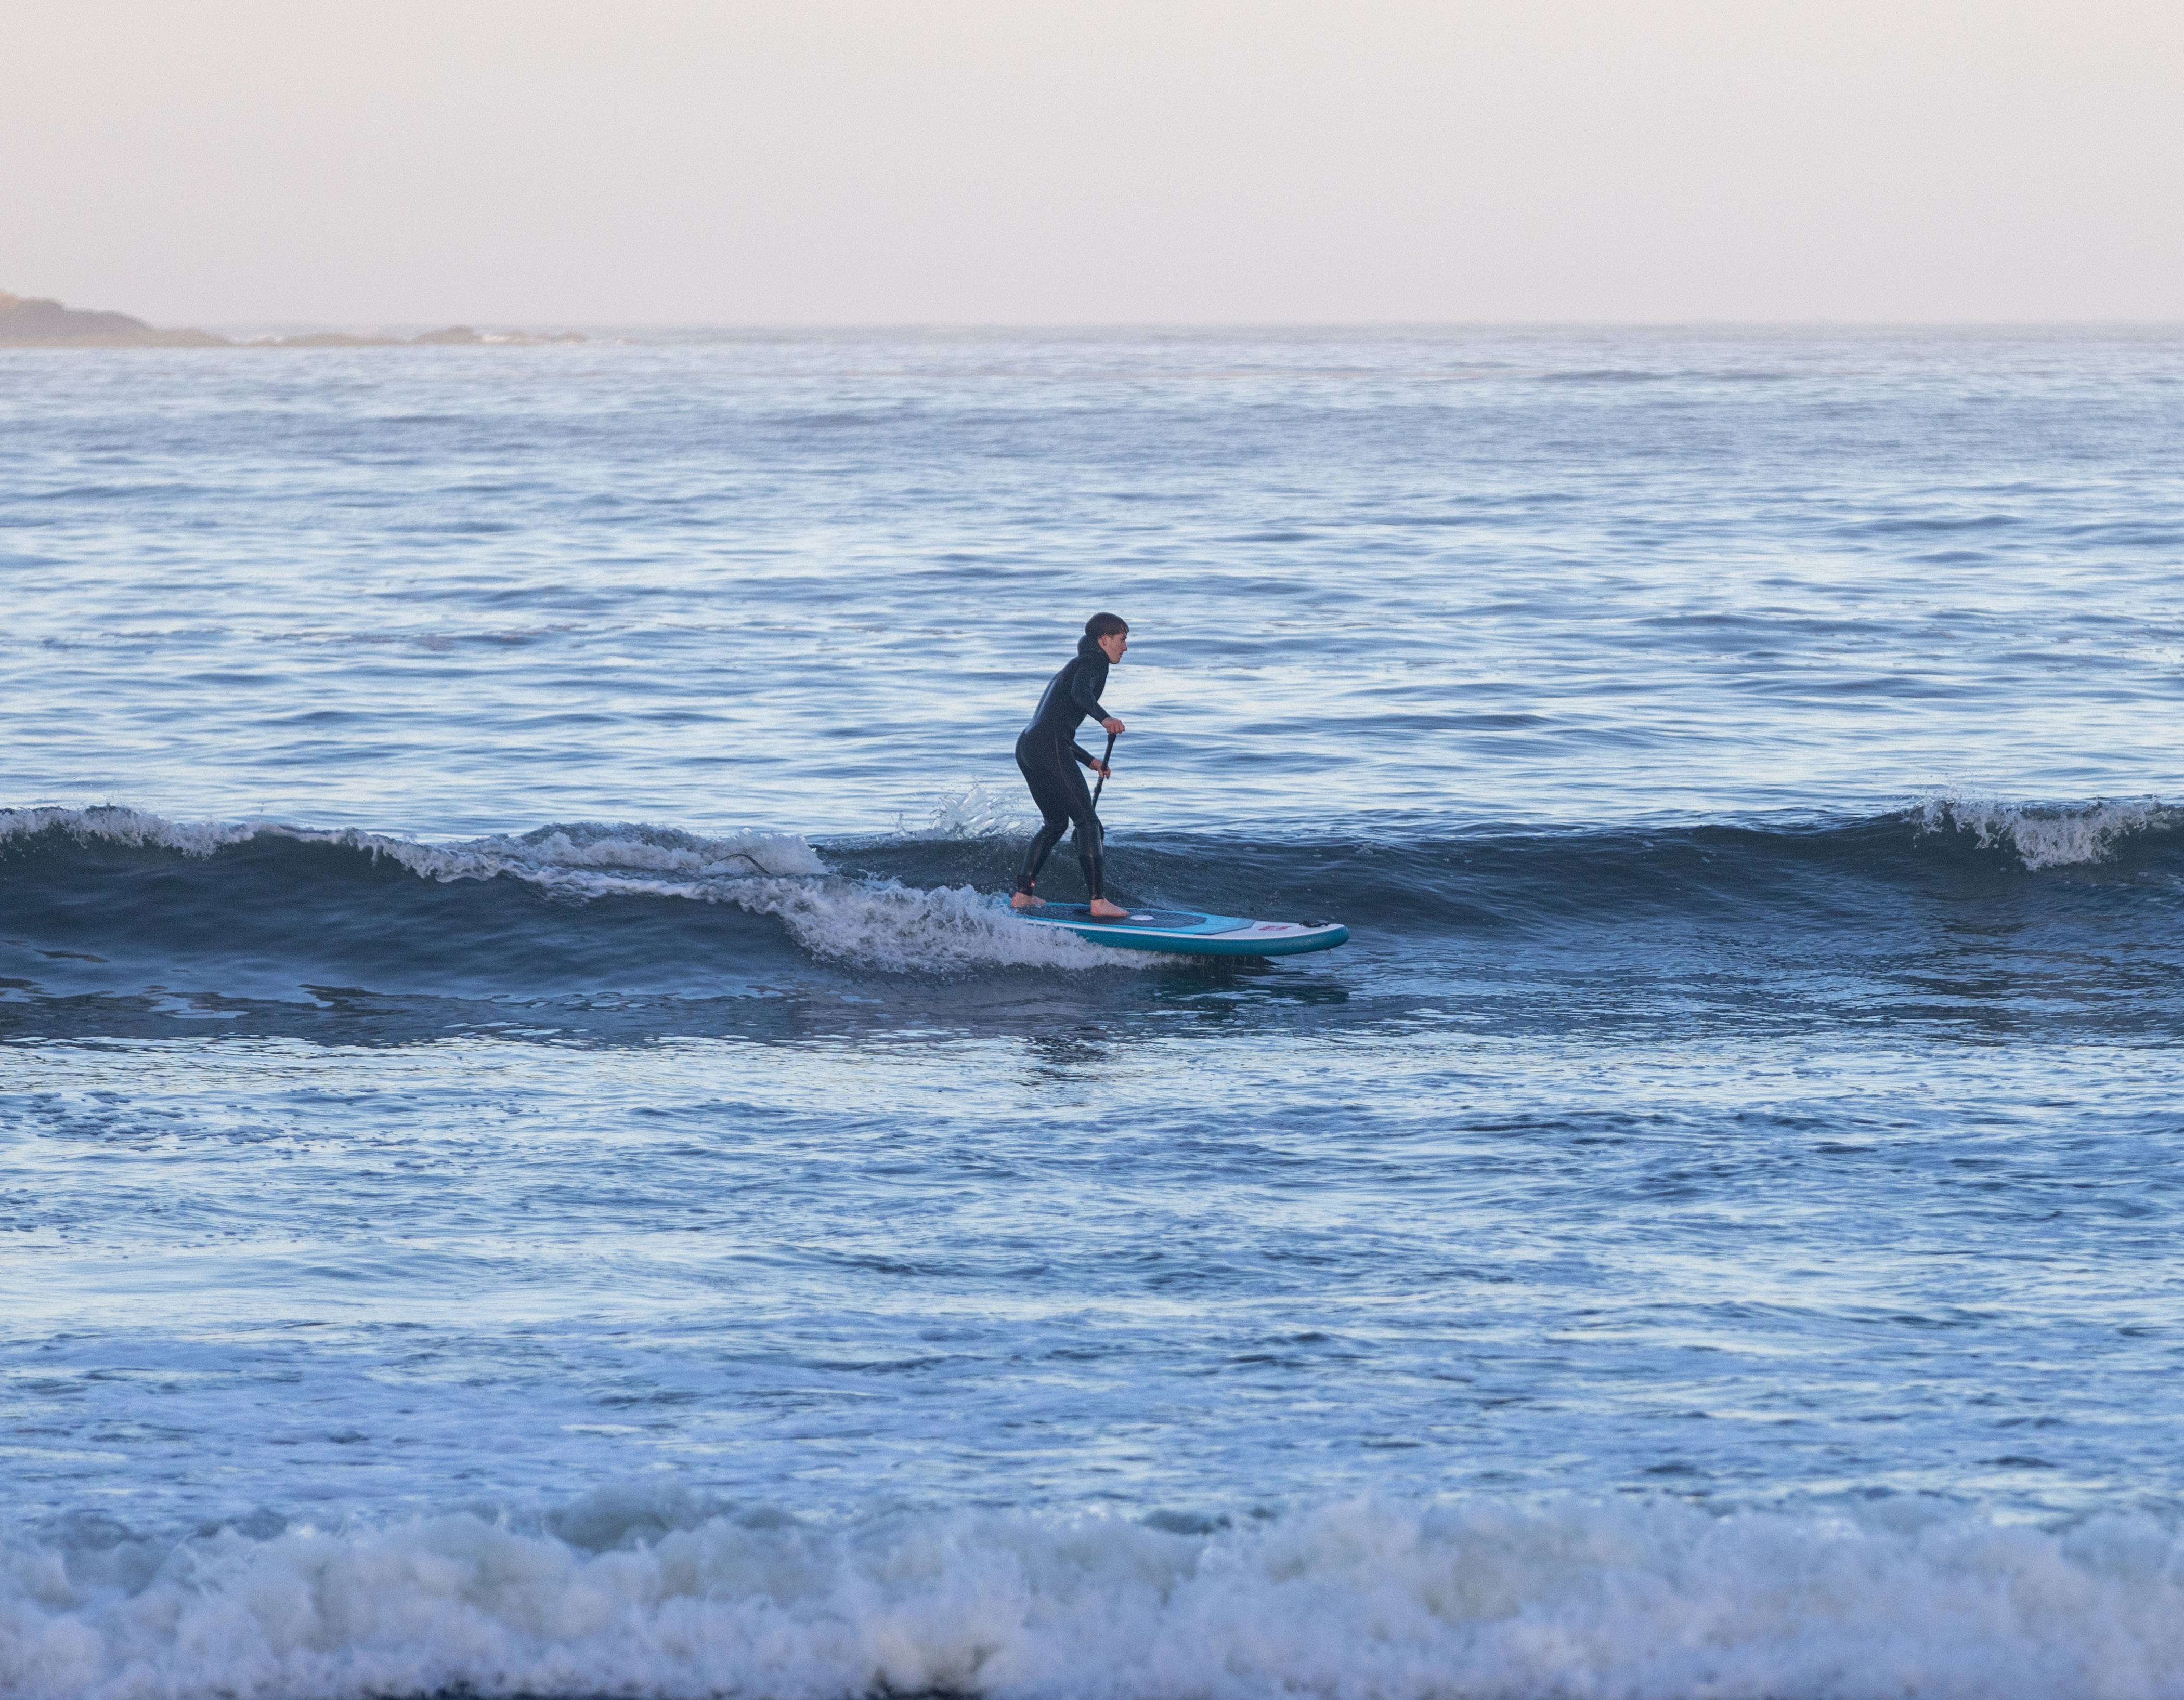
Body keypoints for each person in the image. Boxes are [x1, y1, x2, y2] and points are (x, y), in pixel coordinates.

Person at [1013, 613, 1128, 917]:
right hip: (1048, 746)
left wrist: (1090, 760)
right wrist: (1105, 718)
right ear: (1104, 640)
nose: (1126, 648)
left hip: (1028, 746)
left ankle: (1023, 895)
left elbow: (1052, 727)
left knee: (1055, 824)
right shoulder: (1094, 662)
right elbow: (1080, 696)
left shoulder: (1073, 666)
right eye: (1121, 640)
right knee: (1087, 822)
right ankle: (1098, 901)